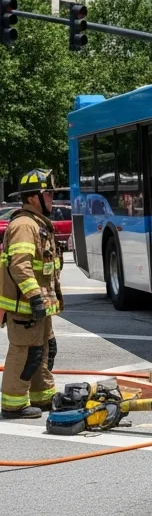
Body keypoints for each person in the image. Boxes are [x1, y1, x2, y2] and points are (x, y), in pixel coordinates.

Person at [0, 168, 62, 418]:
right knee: (25, 351)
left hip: (38, 306)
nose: (53, 199)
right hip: (26, 305)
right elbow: (20, 265)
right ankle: (13, 404)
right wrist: (35, 298)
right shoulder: (25, 225)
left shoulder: (37, 223)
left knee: (45, 349)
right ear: (34, 197)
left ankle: (43, 397)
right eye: (49, 194)